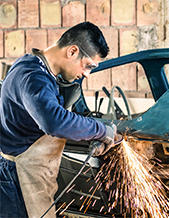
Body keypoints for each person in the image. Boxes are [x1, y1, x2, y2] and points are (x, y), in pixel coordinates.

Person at [0, 22, 117, 218]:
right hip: (18, 178)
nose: (87, 74)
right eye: (88, 66)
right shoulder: (33, 76)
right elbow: (54, 122)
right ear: (72, 51)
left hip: (27, 174)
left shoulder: (33, 65)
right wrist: (101, 130)